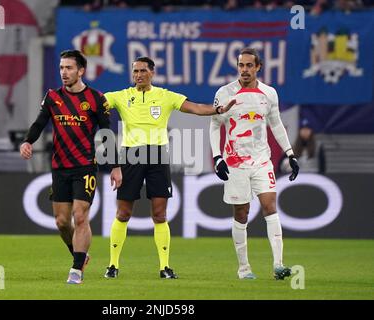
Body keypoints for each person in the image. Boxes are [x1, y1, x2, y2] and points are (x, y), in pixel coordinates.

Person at [103, 56, 235, 279]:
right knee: (123, 212)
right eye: (135, 71)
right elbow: (93, 104)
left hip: (157, 156)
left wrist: (218, 110)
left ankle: (164, 267)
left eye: (143, 71)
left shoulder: (165, 96)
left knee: (160, 214)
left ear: (152, 72)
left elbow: (195, 108)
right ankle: (113, 265)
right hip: (130, 156)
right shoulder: (121, 96)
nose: (138, 75)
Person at [20, 50, 122, 284]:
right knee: (62, 222)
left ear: (81, 71)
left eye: (69, 68)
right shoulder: (53, 97)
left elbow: (107, 134)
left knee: (80, 215)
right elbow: (39, 124)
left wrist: (116, 166)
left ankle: (76, 269)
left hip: (85, 166)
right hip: (60, 167)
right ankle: (79, 255)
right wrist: (27, 141)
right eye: (61, 68)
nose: (64, 73)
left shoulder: (96, 99)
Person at [209, 47, 299, 280]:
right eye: (241, 65)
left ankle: (278, 265)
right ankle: (244, 269)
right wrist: (218, 157)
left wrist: (290, 153)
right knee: (242, 213)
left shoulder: (269, 93)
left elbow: (276, 124)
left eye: (250, 65)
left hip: (261, 160)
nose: (245, 70)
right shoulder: (225, 92)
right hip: (235, 162)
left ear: (258, 67)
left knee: (270, 207)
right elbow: (215, 125)